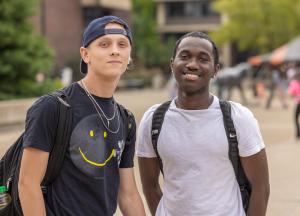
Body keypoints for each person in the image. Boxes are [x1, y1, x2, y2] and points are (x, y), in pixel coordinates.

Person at [18, 15, 146, 216]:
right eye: (104, 44)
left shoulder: (126, 119)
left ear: (129, 55)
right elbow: (27, 184)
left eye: (122, 44)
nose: (115, 50)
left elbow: (128, 195)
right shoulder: (52, 107)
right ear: (85, 54)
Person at [136, 32, 270, 216]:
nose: (192, 64)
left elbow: (261, 188)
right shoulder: (152, 120)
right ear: (172, 64)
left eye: (203, 59)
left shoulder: (238, 118)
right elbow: (150, 187)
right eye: (184, 56)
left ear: (215, 69)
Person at [288, 71, 300, 139]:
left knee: (295, 118)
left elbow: (291, 94)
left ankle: (298, 134)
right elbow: (291, 94)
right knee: (295, 119)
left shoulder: (294, 83)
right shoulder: (294, 83)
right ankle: (298, 133)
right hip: (298, 103)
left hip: (298, 103)